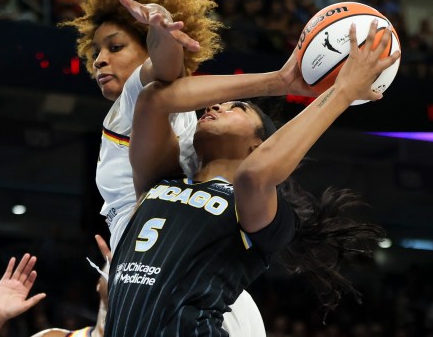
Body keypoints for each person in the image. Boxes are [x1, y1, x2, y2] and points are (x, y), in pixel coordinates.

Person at [63, 0, 316, 337]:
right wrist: (161, 33)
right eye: (96, 50)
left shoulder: (185, 112)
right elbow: (164, 72)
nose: (99, 59)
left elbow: (165, 68)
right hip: (159, 272)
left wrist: (159, 31)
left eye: (114, 47)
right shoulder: (138, 108)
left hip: (188, 273)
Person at [104, 20, 400, 336]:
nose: (215, 104)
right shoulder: (161, 179)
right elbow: (154, 100)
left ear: (257, 144)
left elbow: (254, 174)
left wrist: (344, 91)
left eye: (237, 108)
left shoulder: (264, 211)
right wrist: (280, 80)